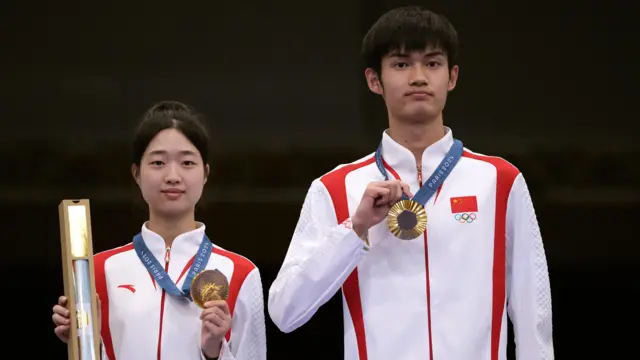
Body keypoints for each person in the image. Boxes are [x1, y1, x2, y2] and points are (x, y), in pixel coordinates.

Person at [268, 6, 553, 360]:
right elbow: (284, 312)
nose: (418, 77)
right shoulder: (337, 188)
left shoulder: (500, 181)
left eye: (432, 63)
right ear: (374, 80)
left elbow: (532, 313)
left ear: (452, 77)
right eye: (401, 64)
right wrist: (354, 230)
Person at [51, 101, 267, 360]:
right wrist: (83, 342)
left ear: (206, 173)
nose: (173, 176)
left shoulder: (241, 274)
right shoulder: (95, 272)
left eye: (187, 163)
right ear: (136, 173)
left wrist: (214, 352)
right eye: (157, 163)